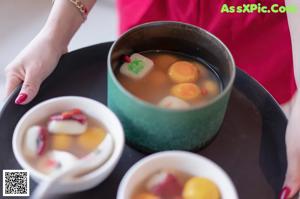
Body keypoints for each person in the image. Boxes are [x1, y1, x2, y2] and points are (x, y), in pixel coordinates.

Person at [4, 0, 300, 198]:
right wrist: (52, 36)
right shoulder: (17, 157)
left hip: (253, 41)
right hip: (143, 41)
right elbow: (10, 172)